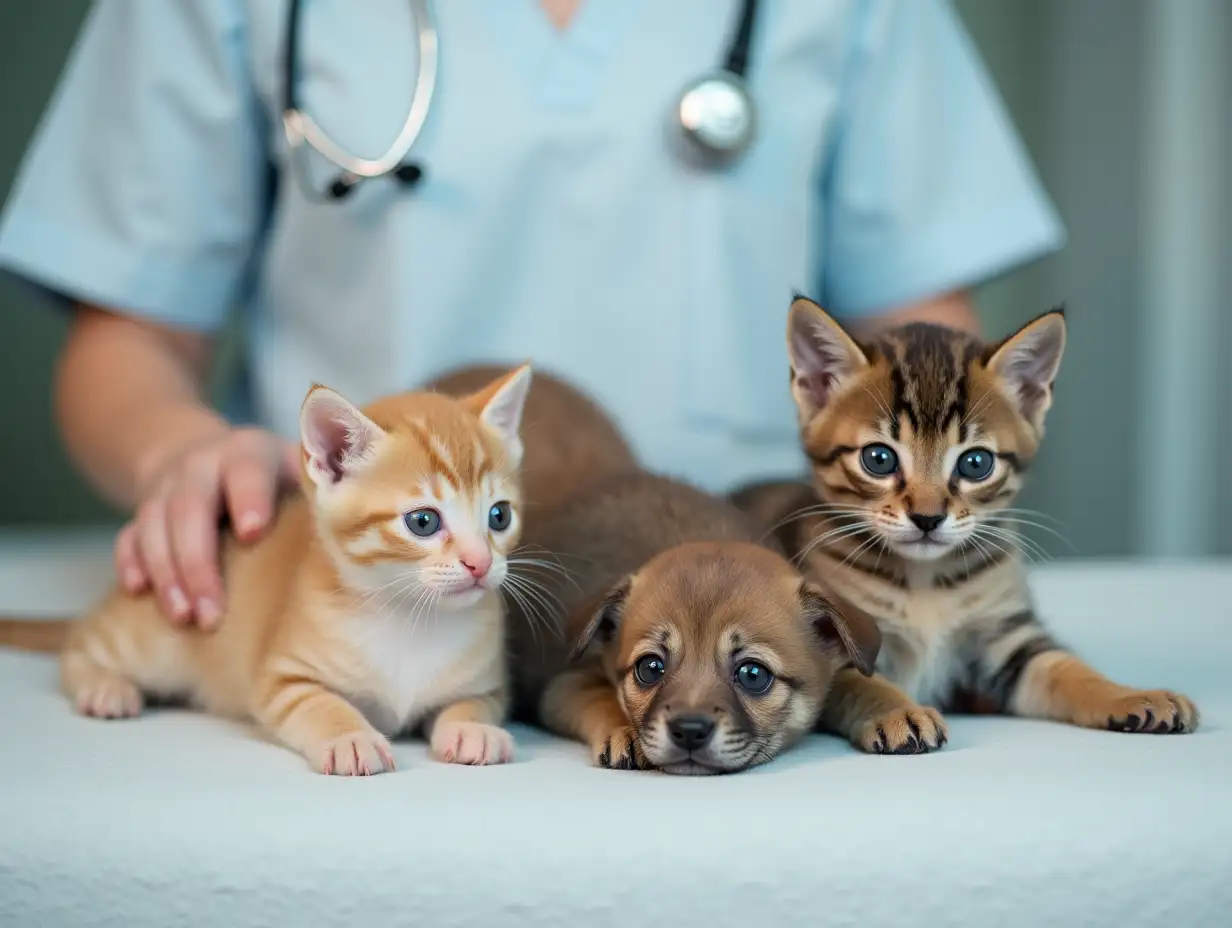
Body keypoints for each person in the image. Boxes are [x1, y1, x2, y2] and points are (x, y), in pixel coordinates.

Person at [0, 0, 1063, 629]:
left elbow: (929, 363)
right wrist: (178, 454)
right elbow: (128, 334)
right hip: (357, 631)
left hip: (737, 642)